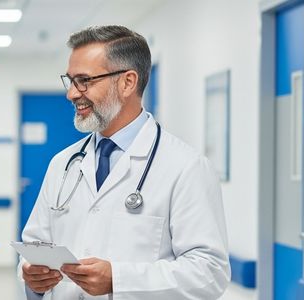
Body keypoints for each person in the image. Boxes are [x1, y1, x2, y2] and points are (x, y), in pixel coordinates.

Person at [19, 25, 230, 299]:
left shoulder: (186, 167)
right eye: (70, 80)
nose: (71, 93)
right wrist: (32, 277)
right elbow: (34, 245)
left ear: (128, 82)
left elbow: (209, 273)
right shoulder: (63, 164)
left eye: (84, 80)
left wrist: (119, 280)